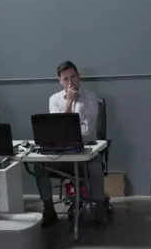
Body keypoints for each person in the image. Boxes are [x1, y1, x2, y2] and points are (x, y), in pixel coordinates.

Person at [35, 61, 106, 226]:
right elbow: (56, 131)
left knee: (96, 166)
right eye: (65, 79)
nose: (70, 82)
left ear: (79, 77)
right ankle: (49, 210)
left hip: (84, 155)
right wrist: (68, 105)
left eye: (73, 77)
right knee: (40, 167)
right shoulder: (54, 99)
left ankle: (99, 209)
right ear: (60, 81)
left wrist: (65, 130)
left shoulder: (91, 98)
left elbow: (87, 131)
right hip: (61, 156)